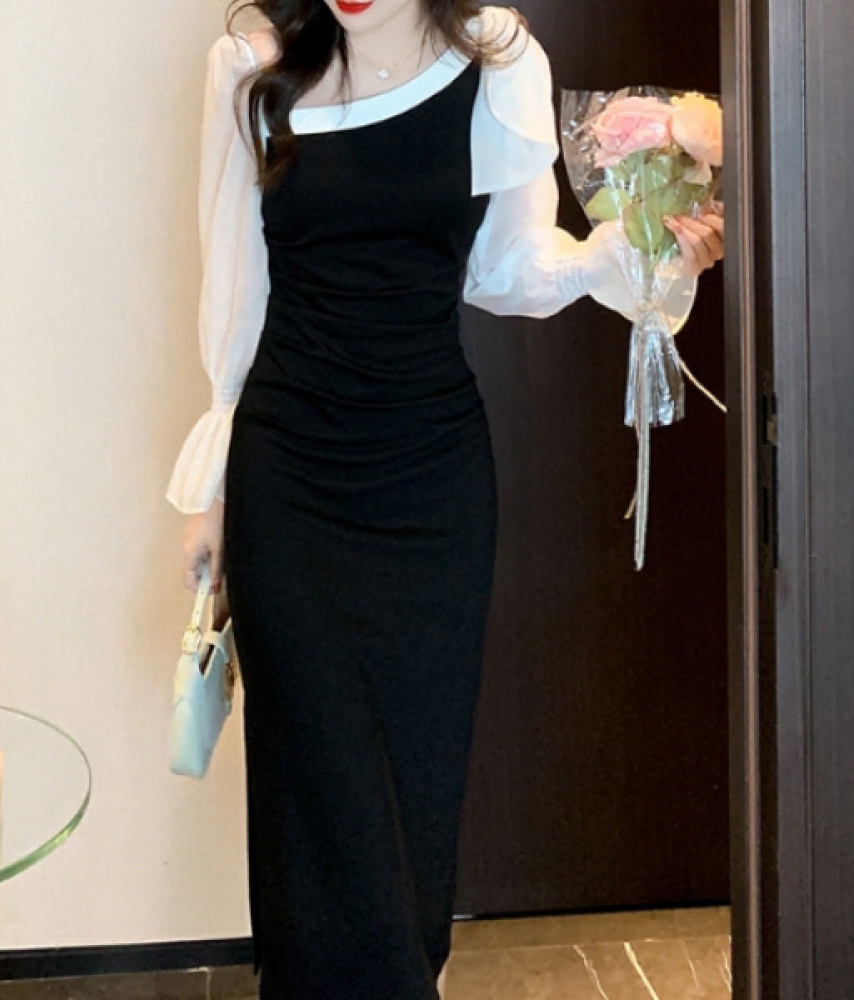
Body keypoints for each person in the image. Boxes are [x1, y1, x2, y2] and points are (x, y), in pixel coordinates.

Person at [167, 2, 724, 997]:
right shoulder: (250, 65)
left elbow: (507, 266)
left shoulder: (497, 58)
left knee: (414, 788)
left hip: (431, 486)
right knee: (314, 790)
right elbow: (236, 289)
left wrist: (640, 251)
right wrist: (209, 489)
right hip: (288, 484)